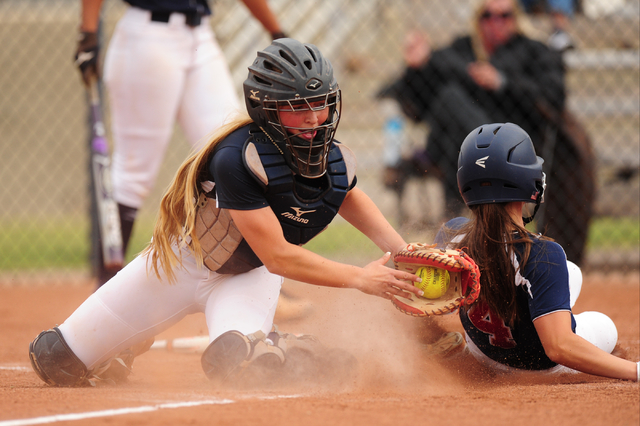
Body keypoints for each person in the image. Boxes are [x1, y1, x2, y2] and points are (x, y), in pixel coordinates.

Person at [28, 38, 424, 387]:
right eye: (297, 106)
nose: (313, 118)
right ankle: (124, 343)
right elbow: (280, 256)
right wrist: (361, 278)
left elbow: (346, 194)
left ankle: (297, 353)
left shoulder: (329, 156)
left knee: (239, 363)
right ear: (265, 107)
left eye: (321, 104)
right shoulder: (237, 156)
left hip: (248, 278)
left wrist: (404, 252)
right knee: (55, 359)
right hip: (180, 266)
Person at [74, 0, 286, 286]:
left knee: (237, 156)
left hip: (200, 36)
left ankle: (257, 284)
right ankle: (106, 287)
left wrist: (276, 30)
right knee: (134, 174)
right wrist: (87, 31)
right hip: (147, 37)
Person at [432, 122, 639, 382]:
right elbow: (559, 347)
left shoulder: (452, 234)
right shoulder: (543, 253)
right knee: (599, 317)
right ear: (527, 183)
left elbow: (433, 304)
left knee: (564, 273)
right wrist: (636, 371)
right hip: (543, 368)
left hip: (481, 353)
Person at [381, 0, 565, 219]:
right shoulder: (463, 49)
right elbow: (415, 101)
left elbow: (553, 95)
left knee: (450, 106)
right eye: (487, 15)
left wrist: (501, 82)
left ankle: (453, 215)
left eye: (504, 16)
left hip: (515, 139)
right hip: (460, 144)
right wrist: (417, 66)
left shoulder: (533, 50)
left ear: (516, 18)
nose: (495, 22)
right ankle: (482, 160)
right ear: (478, 19)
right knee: (449, 102)